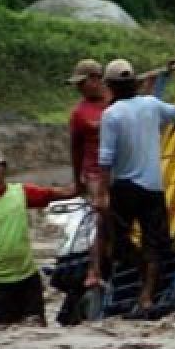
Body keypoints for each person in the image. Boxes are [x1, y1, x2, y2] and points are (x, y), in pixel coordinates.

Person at [95, 58, 175, 317]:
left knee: (118, 245)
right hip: (153, 188)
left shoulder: (111, 115)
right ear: (134, 83)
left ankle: (142, 277)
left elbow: (105, 160)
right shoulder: (151, 105)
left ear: (110, 86)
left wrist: (101, 194)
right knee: (155, 244)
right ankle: (147, 295)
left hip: (124, 187)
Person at [0, 147, 78, 326]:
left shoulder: (20, 193)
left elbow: (60, 194)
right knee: (1, 333)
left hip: (27, 278)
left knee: (37, 329)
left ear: (4, 168)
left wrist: (89, 178)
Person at [64, 58, 110, 288]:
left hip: (121, 165)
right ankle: (94, 270)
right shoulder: (79, 113)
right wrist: (77, 181)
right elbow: (75, 149)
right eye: (78, 84)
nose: (79, 88)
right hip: (94, 171)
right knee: (103, 211)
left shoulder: (116, 98)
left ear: (96, 79)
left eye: (83, 83)